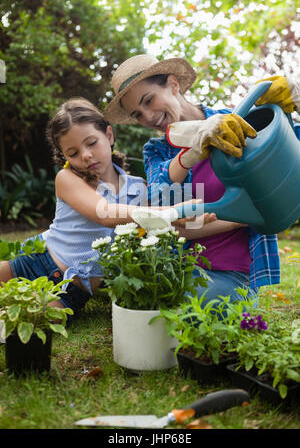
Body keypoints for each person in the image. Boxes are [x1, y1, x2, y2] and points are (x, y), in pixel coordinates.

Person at [104, 55, 300, 306]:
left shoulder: (236, 121)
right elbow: (161, 209)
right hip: (182, 267)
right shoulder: (157, 150)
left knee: (194, 310)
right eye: (138, 114)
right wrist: (190, 154)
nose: (148, 117)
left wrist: (295, 96)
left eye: (149, 101)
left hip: (235, 271)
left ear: (173, 85)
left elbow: (289, 154)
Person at [0, 97, 214, 321]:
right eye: (73, 153)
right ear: (64, 157)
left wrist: (196, 214)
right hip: (35, 264)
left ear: (109, 135)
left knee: (18, 321)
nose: (85, 155)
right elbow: (105, 213)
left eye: (91, 143)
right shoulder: (68, 178)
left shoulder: (138, 187)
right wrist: (169, 214)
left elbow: (168, 222)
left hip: (71, 291)